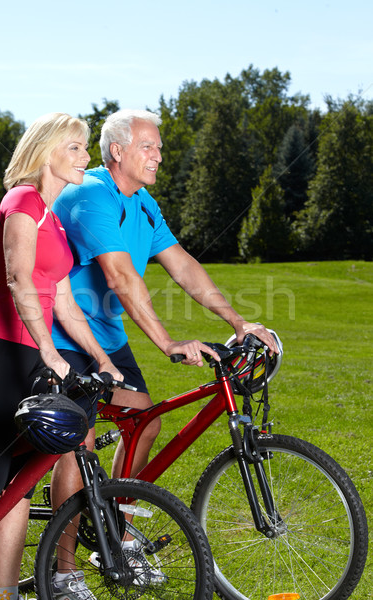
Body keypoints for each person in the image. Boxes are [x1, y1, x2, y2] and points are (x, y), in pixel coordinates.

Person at [50, 108, 280, 577]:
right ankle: (64, 570)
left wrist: (237, 322)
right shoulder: (92, 193)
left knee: (143, 423)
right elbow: (120, 276)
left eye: (159, 146)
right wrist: (168, 341)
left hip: (107, 337)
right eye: (147, 146)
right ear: (118, 151)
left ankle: (118, 537)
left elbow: (183, 266)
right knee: (82, 444)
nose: (159, 155)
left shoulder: (143, 203)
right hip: (65, 333)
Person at [0, 113, 120, 600]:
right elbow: (18, 280)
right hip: (1, 347)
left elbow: (64, 304)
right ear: (48, 151)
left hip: (33, 352)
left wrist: (101, 359)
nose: (87, 157)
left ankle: (5, 593)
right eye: (77, 147)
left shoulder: (53, 217)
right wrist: (48, 350)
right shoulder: (22, 201)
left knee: (21, 475)